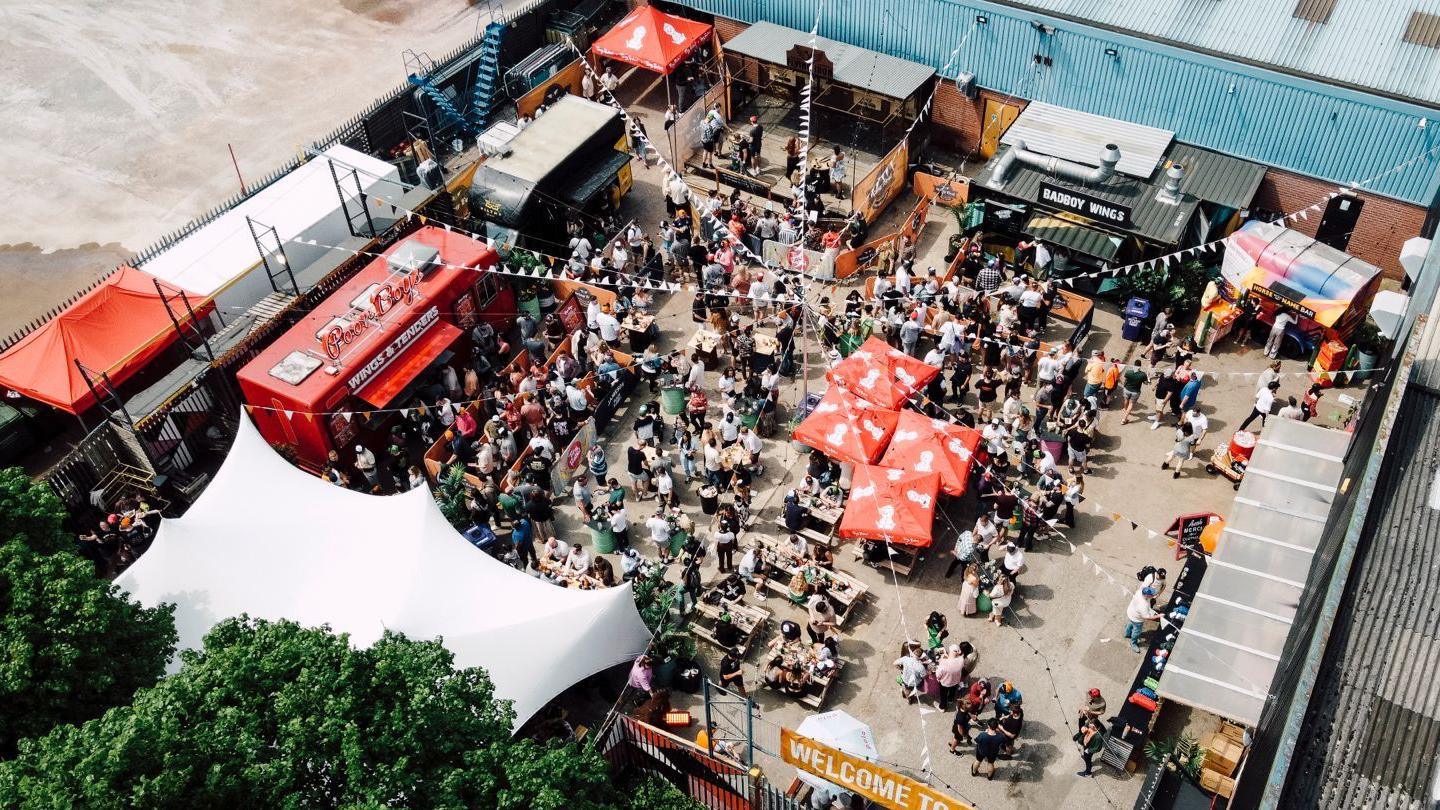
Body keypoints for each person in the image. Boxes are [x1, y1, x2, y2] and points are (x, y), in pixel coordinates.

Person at [1125, 587, 1162, 652]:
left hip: (1131, 612)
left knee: (1130, 623)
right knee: (1137, 631)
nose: (1154, 595)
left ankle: (1127, 634)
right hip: (1137, 619)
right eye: (1152, 594)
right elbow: (1147, 617)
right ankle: (1133, 643)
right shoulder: (1143, 605)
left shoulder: (1139, 592)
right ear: (1147, 595)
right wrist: (1159, 615)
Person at [936, 645, 969, 710]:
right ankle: (950, 700)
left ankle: (942, 707)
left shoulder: (943, 662)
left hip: (945, 682)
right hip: (955, 681)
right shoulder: (961, 660)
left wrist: (942, 659)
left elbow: (938, 675)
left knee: (943, 695)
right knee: (952, 691)